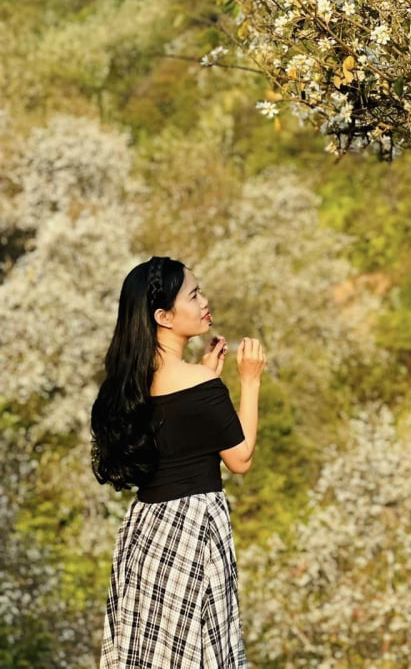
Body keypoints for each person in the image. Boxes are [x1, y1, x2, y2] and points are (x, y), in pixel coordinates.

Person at [91, 254, 265, 668]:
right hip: (192, 527)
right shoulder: (198, 382)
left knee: (148, 651)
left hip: (145, 531)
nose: (204, 301)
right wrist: (250, 381)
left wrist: (206, 381)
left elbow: (177, 436)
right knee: (202, 648)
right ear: (164, 316)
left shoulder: (128, 381)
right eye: (194, 294)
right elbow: (240, 458)